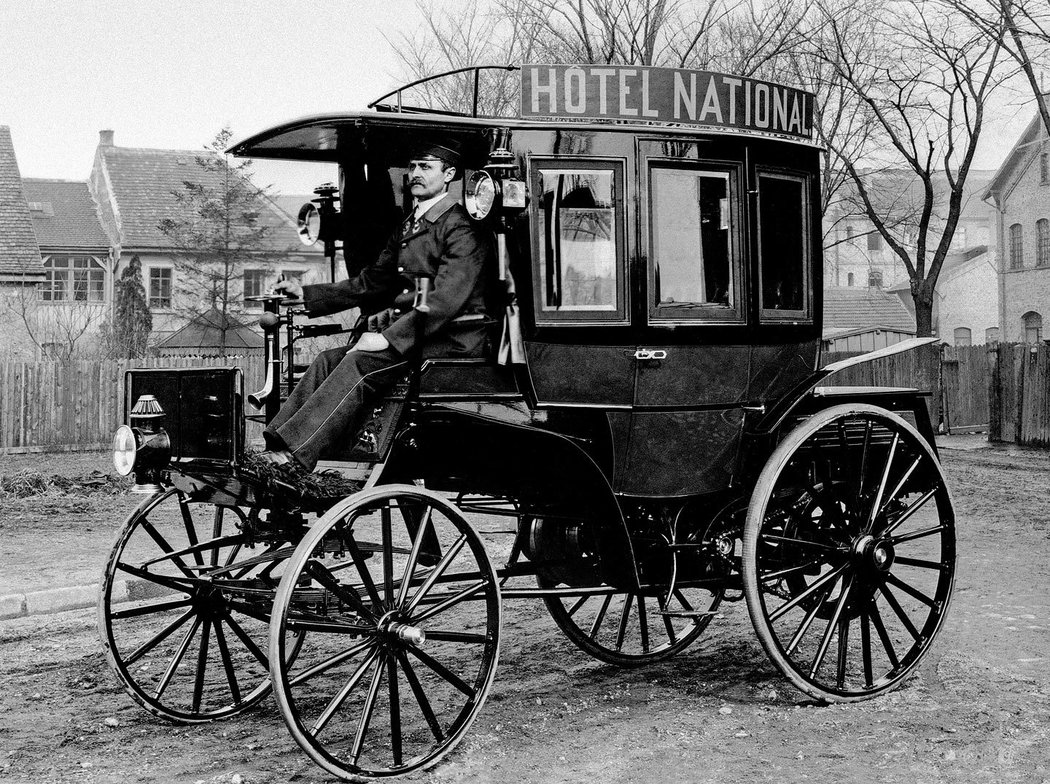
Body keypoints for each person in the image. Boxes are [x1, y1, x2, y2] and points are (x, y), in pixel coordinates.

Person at [258, 141, 496, 471]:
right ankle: (276, 443)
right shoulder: (411, 225)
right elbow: (372, 281)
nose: (415, 174)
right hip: (417, 337)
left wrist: (388, 338)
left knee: (359, 363)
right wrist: (306, 292)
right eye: (412, 167)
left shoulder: (460, 227)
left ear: (449, 175)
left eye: (426, 167)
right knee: (328, 360)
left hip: (452, 341)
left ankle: (294, 456)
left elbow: (444, 300)